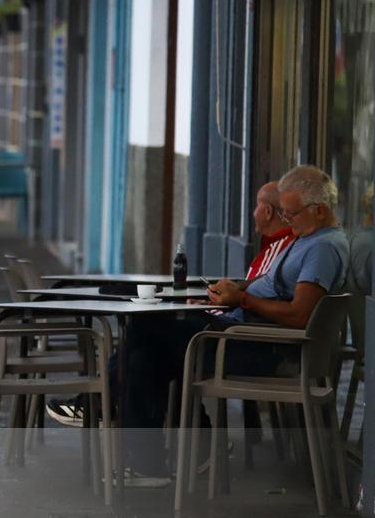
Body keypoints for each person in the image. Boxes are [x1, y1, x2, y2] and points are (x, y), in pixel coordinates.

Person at [117, 165, 349, 486]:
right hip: (242, 333)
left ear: (319, 211)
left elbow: (300, 316)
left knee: (146, 326)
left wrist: (242, 299)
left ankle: (109, 403)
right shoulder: (307, 238)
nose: (287, 222)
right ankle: (152, 464)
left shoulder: (323, 249)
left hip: (262, 348)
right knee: (142, 357)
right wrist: (236, 293)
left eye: (291, 214)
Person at [47, 182, 295, 427]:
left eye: (256, 206)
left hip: (242, 343)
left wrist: (227, 302)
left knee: (147, 325)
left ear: (268, 211)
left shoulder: (284, 250)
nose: (252, 212)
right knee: (141, 358)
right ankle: (181, 451)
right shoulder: (281, 250)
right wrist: (214, 302)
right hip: (233, 333)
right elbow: (251, 298)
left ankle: (96, 403)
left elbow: (261, 305)